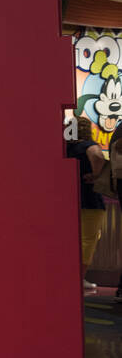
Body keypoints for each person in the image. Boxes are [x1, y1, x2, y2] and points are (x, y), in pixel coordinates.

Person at [68, 114, 107, 292]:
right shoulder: (88, 146)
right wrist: (97, 175)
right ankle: (79, 277)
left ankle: (67, 275)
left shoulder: (67, 148)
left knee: (70, 240)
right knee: (87, 241)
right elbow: (97, 156)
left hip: (70, 200)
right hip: (91, 200)